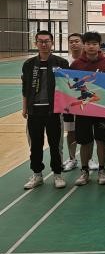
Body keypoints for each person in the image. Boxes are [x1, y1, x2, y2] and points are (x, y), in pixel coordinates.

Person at [21, 30, 70, 189]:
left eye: (46, 41)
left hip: (53, 111)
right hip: (34, 112)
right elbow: (25, 88)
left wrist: (65, 107)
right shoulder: (29, 64)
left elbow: (66, 88)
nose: (43, 44)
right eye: (40, 41)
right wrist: (24, 108)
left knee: (55, 145)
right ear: (36, 43)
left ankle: (57, 174)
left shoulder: (61, 63)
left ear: (52, 43)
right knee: (35, 145)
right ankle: (37, 174)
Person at [71, 31, 105, 186]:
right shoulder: (76, 64)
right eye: (88, 44)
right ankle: (85, 171)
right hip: (83, 110)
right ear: (84, 45)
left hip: (102, 109)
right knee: (85, 141)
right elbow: (70, 87)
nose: (91, 46)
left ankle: (102, 170)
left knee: (101, 140)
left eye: (94, 44)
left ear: (99, 45)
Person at [62, 32, 83, 172]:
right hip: (69, 103)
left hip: (85, 101)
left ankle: (89, 159)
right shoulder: (64, 63)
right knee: (71, 131)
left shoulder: (87, 61)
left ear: (82, 43)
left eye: (77, 41)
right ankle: (72, 158)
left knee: (88, 130)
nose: (74, 44)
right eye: (71, 42)